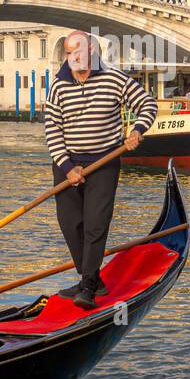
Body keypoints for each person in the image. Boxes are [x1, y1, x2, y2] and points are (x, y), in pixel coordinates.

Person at [43, 30, 158, 308]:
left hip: (105, 160)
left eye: (80, 50)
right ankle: (92, 277)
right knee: (71, 224)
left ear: (93, 50)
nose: (76, 56)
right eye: (71, 52)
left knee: (96, 223)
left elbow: (147, 104)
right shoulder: (58, 86)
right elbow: (52, 129)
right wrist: (68, 167)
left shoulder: (115, 79)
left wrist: (137, 129)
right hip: (67, 162)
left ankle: (88, 287)